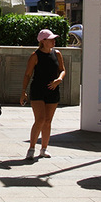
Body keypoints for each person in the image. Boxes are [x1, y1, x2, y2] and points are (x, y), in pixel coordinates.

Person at [20, 28, 66, 160]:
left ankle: (44, 149)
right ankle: (31, 148)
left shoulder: (57, 54)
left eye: (54, 39)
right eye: (51, 39)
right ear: (43, 41)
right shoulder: (35, 56)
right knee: (39, 119)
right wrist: (23, 92)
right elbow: (28, 74)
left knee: (48, 121)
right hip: (38, 90)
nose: (54, 41)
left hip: (53, 89)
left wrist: (59, 79)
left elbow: (62, 70)